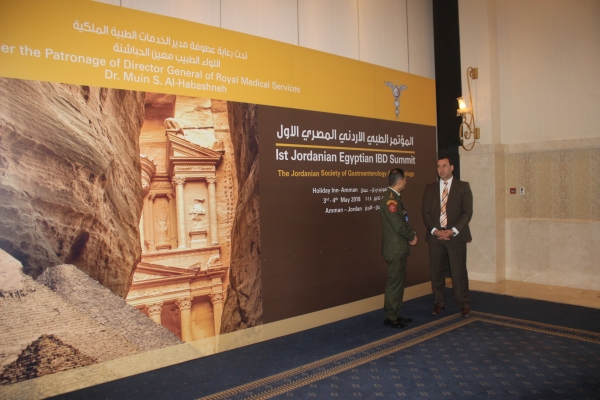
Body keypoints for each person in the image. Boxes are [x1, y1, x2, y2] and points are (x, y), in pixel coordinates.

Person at [421, 157, 473, 317]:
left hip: (456, 237)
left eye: (444, 166)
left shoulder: (463, 187)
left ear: (452, 167)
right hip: (435, 237)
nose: (441, 169)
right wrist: (435, 230)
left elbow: (467, 212)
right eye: (438, 167)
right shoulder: (430, 188)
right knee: (436, 272)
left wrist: (453, 230)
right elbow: (426, 212)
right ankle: (439, 303)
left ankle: (463, 304)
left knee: (459, 272)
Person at [379, 168, 417, 329]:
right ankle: (390, 316)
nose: (406, 182)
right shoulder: (391, 201)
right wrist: (411, 235)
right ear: (400, 181)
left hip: (398, 248)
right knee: (394, 283)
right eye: (405, 180)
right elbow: (398, 225)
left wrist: (411, 233)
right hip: (395, 249)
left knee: (399, 282)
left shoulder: (394, 197)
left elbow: (403, 221)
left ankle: (395, 313)